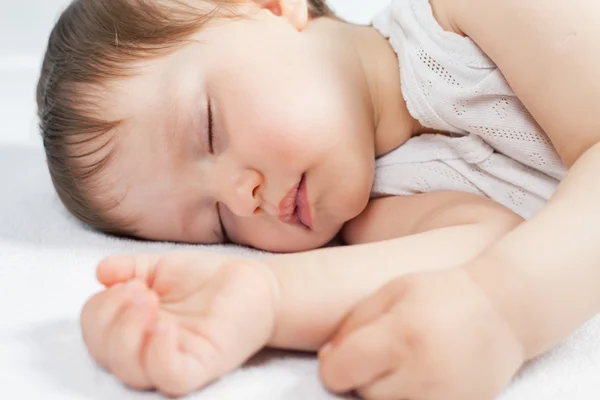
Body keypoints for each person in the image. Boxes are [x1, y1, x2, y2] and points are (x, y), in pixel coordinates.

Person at [37, 0, 600, 398]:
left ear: (270, 6)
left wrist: (506, 311)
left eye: (209, 130)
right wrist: (262, 297)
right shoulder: (370, 212)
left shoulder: (470, 15)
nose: (241, 198)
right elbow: (487, 246)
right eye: (217, 226)